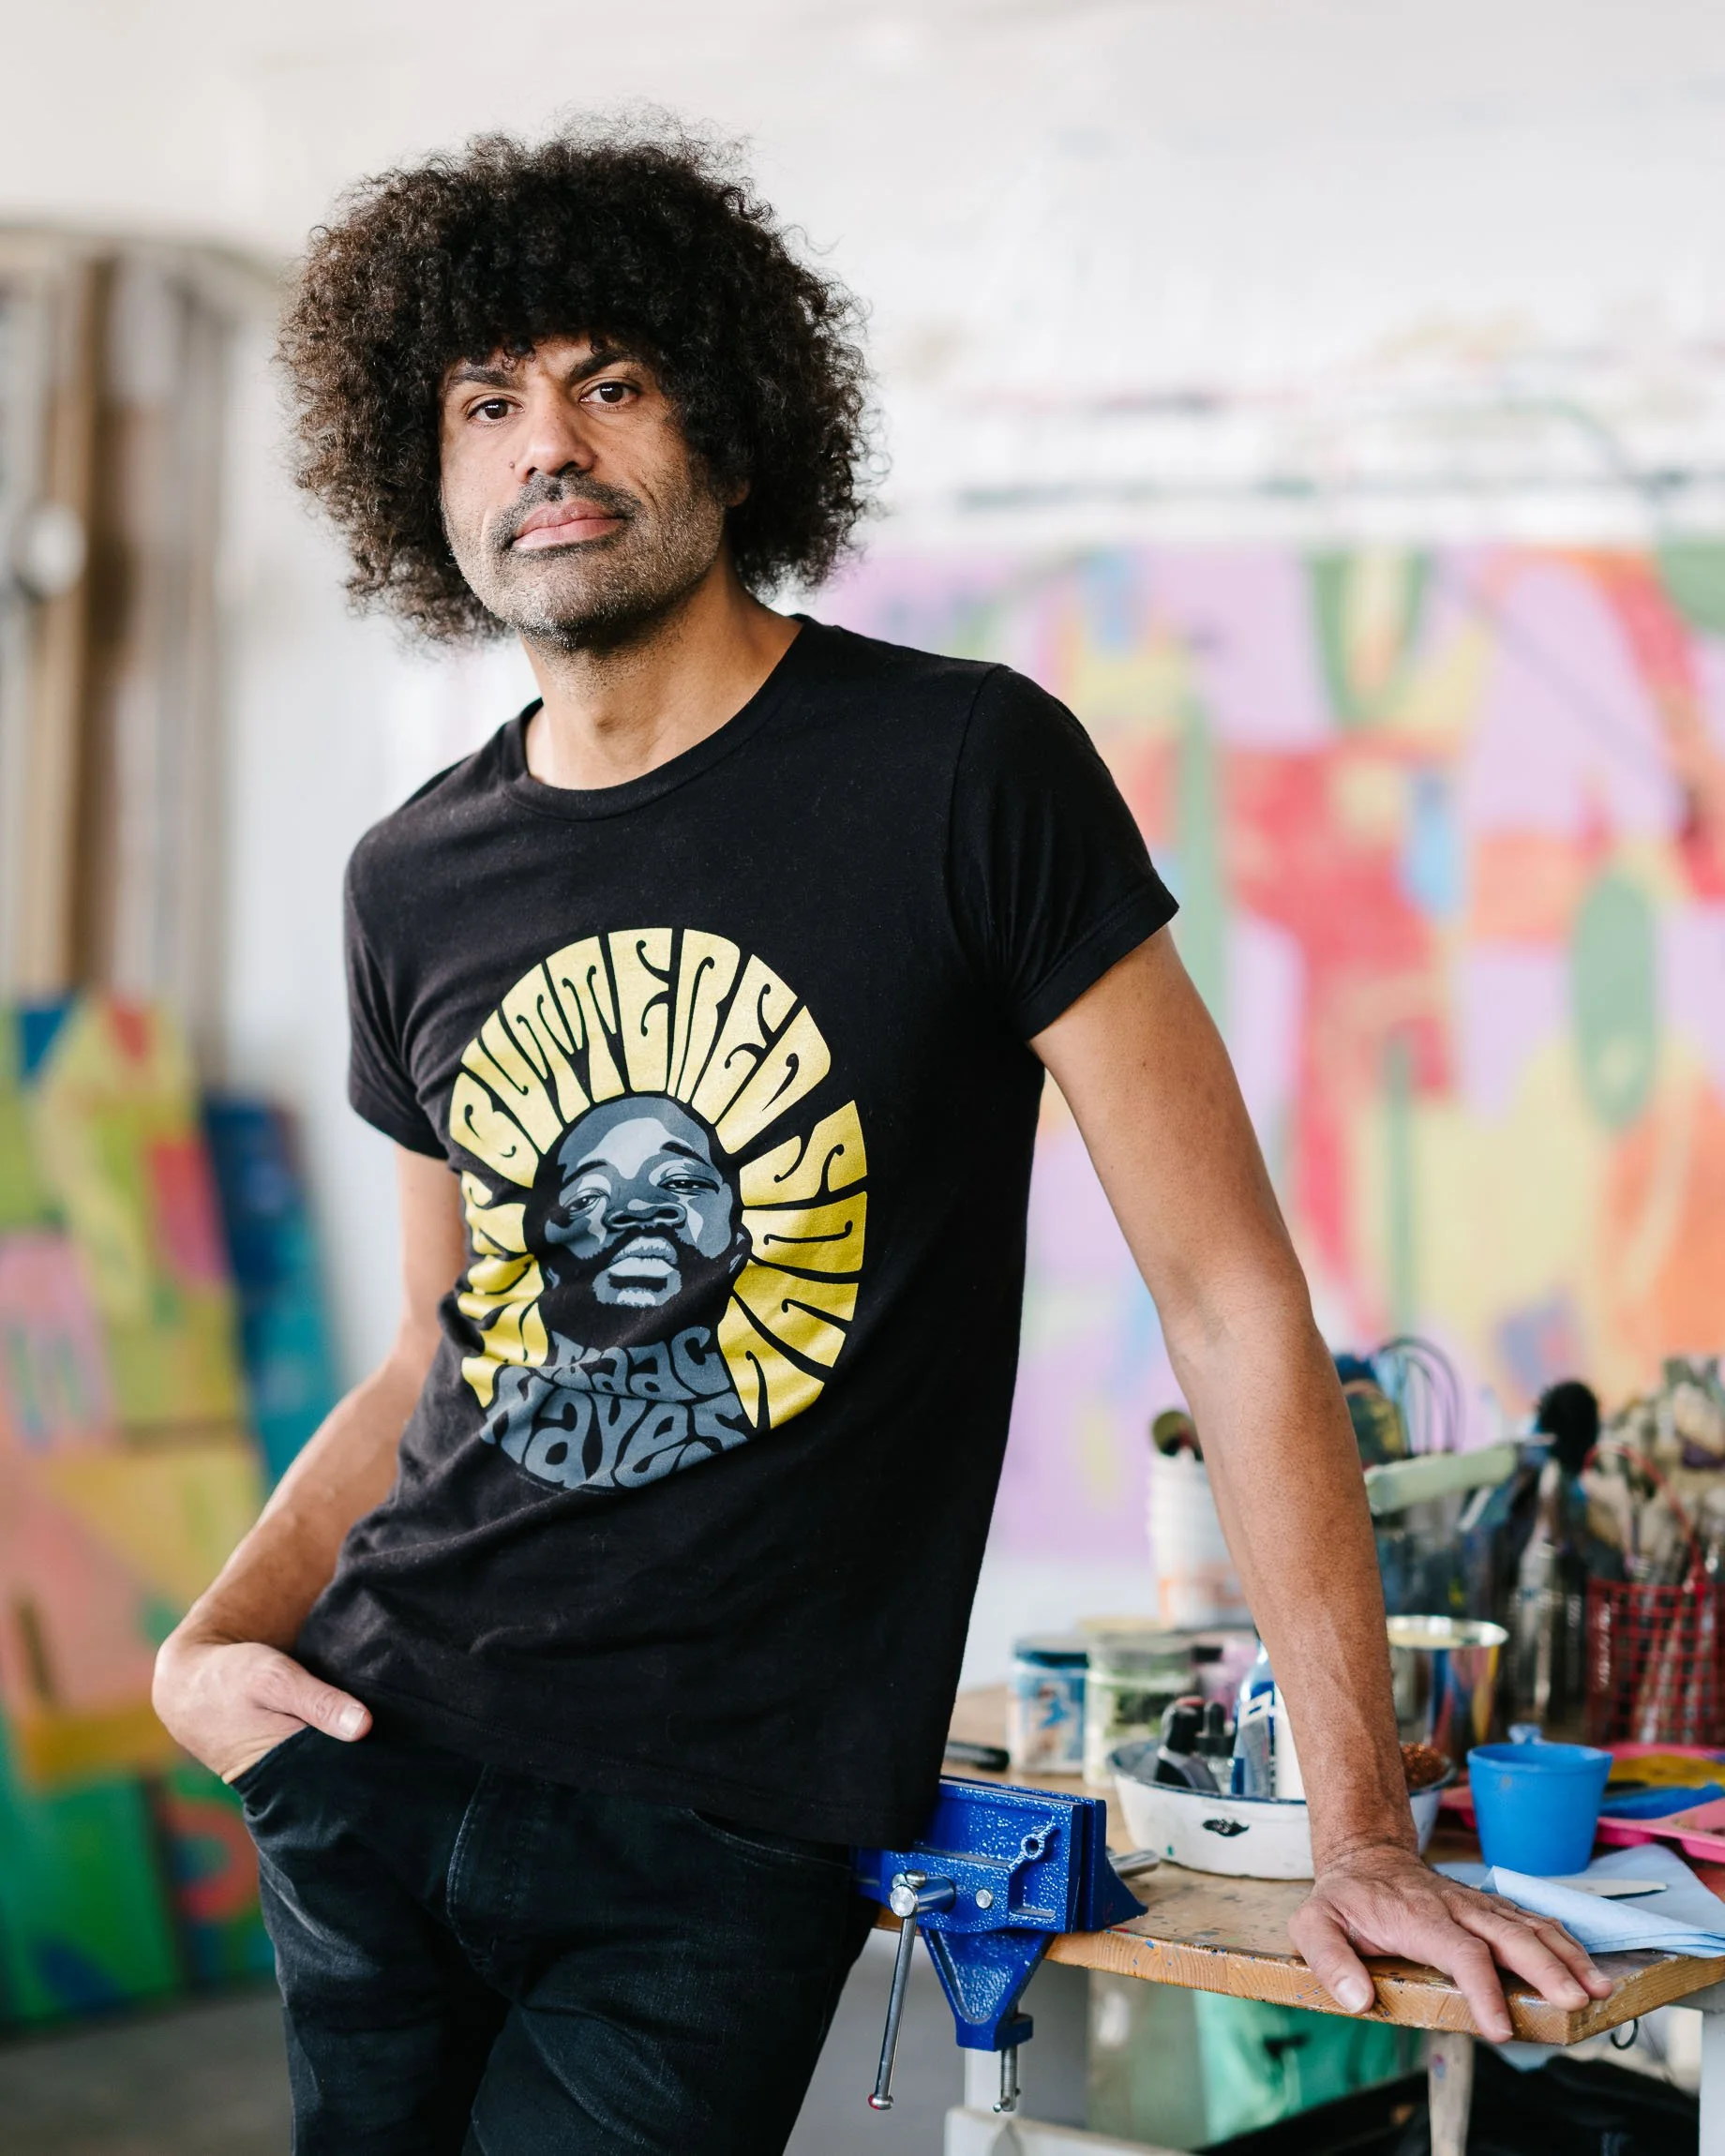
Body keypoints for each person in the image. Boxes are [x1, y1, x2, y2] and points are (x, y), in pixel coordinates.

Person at [154, 123, 1609, 2155]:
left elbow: (1223, 1298)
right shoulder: (413, 873)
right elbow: (428, 1346)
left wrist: (1352, 1827)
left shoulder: (961, 770)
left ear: (731, 432)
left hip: (713, 1828)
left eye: (609, 381)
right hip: (374, 1758)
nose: (542, 444)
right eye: (484, 401)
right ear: (427, 473)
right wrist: (211, 1644)